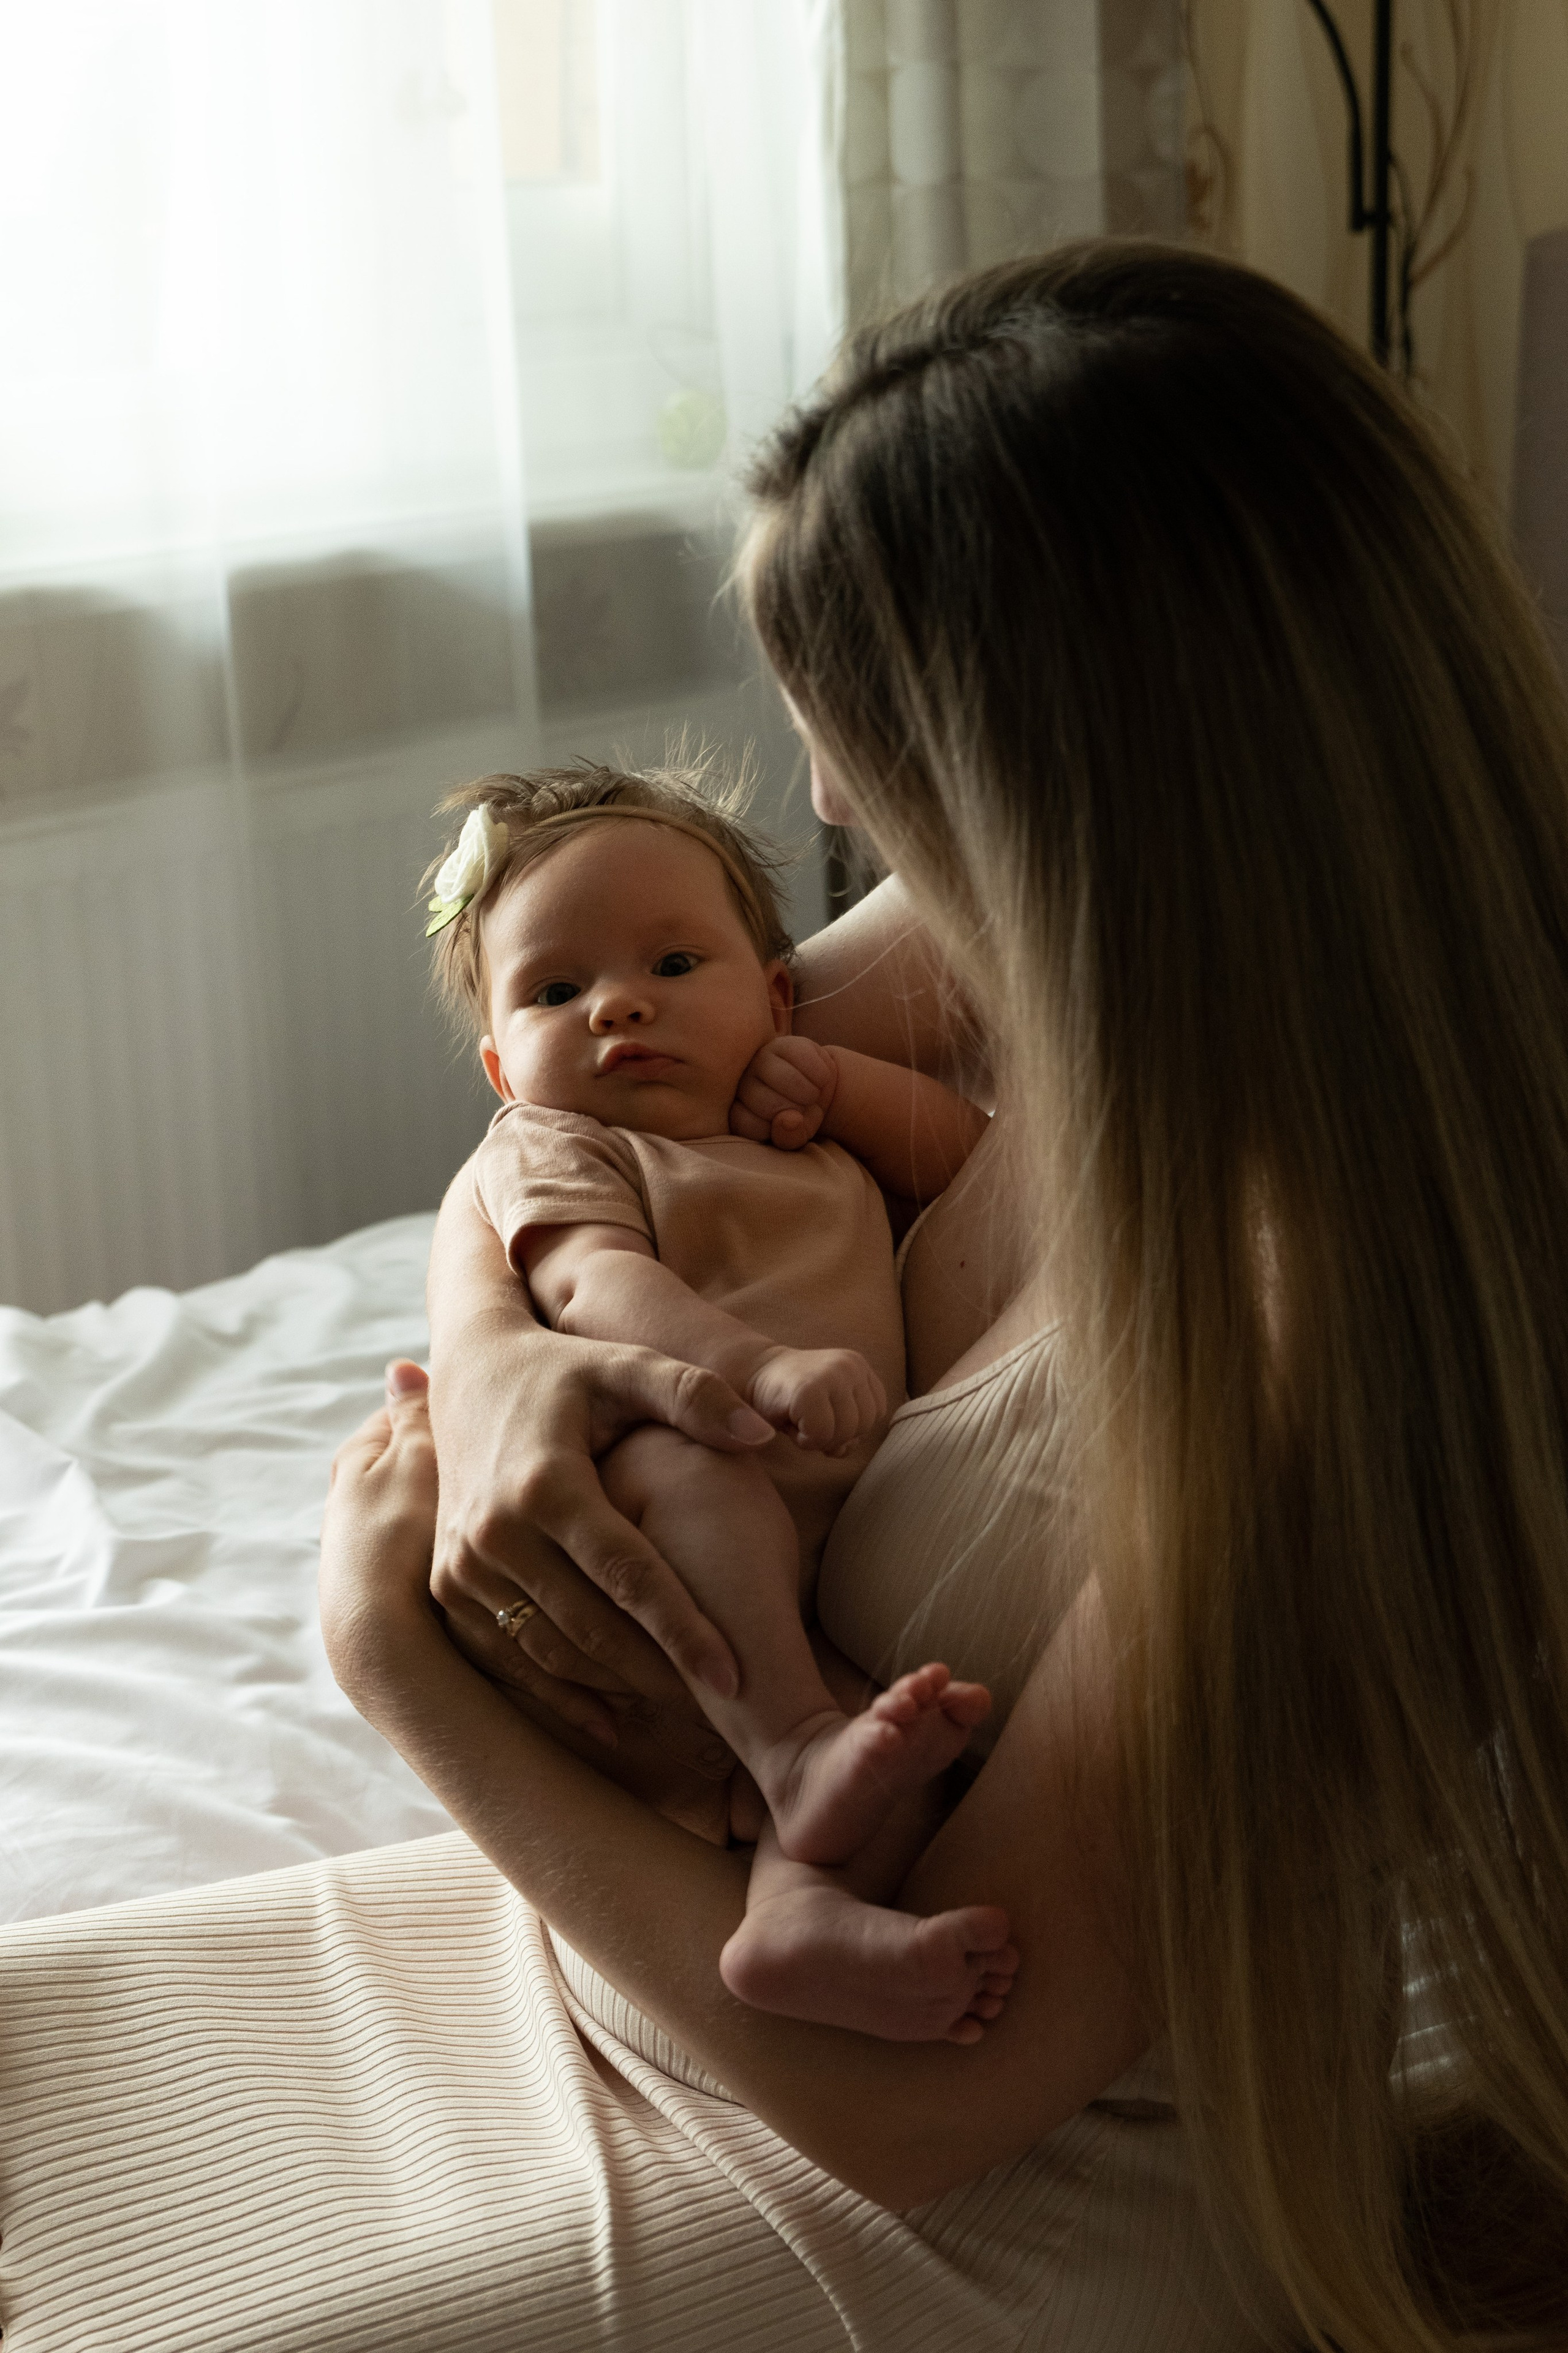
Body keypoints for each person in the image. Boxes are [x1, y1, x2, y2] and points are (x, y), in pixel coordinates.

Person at [1, 241, 1564, 2352]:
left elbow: (932, 2103)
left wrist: (396, 1659)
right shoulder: (1061, 950)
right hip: (661, 1966)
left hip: (956, 2189)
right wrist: (491, 1346)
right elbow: (572, 1114)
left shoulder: (1300, 1326)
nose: (826, 806)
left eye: (860, 747)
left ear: (1061, 779)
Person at [421, 761, 1013, 2041]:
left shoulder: (804, 1126)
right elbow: (592, 1283)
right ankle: (790, 1756)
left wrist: (840, 1085)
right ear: (499, 1069)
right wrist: (751, 1370)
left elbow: (986, 1179)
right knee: (694, 1472)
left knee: (903, 1732)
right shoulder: (567, 1148)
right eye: (555, 990)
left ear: (778, 994)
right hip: (674, 1495)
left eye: (674, 965)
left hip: (804, 1559)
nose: (617, 1004)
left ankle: (797, 1915)